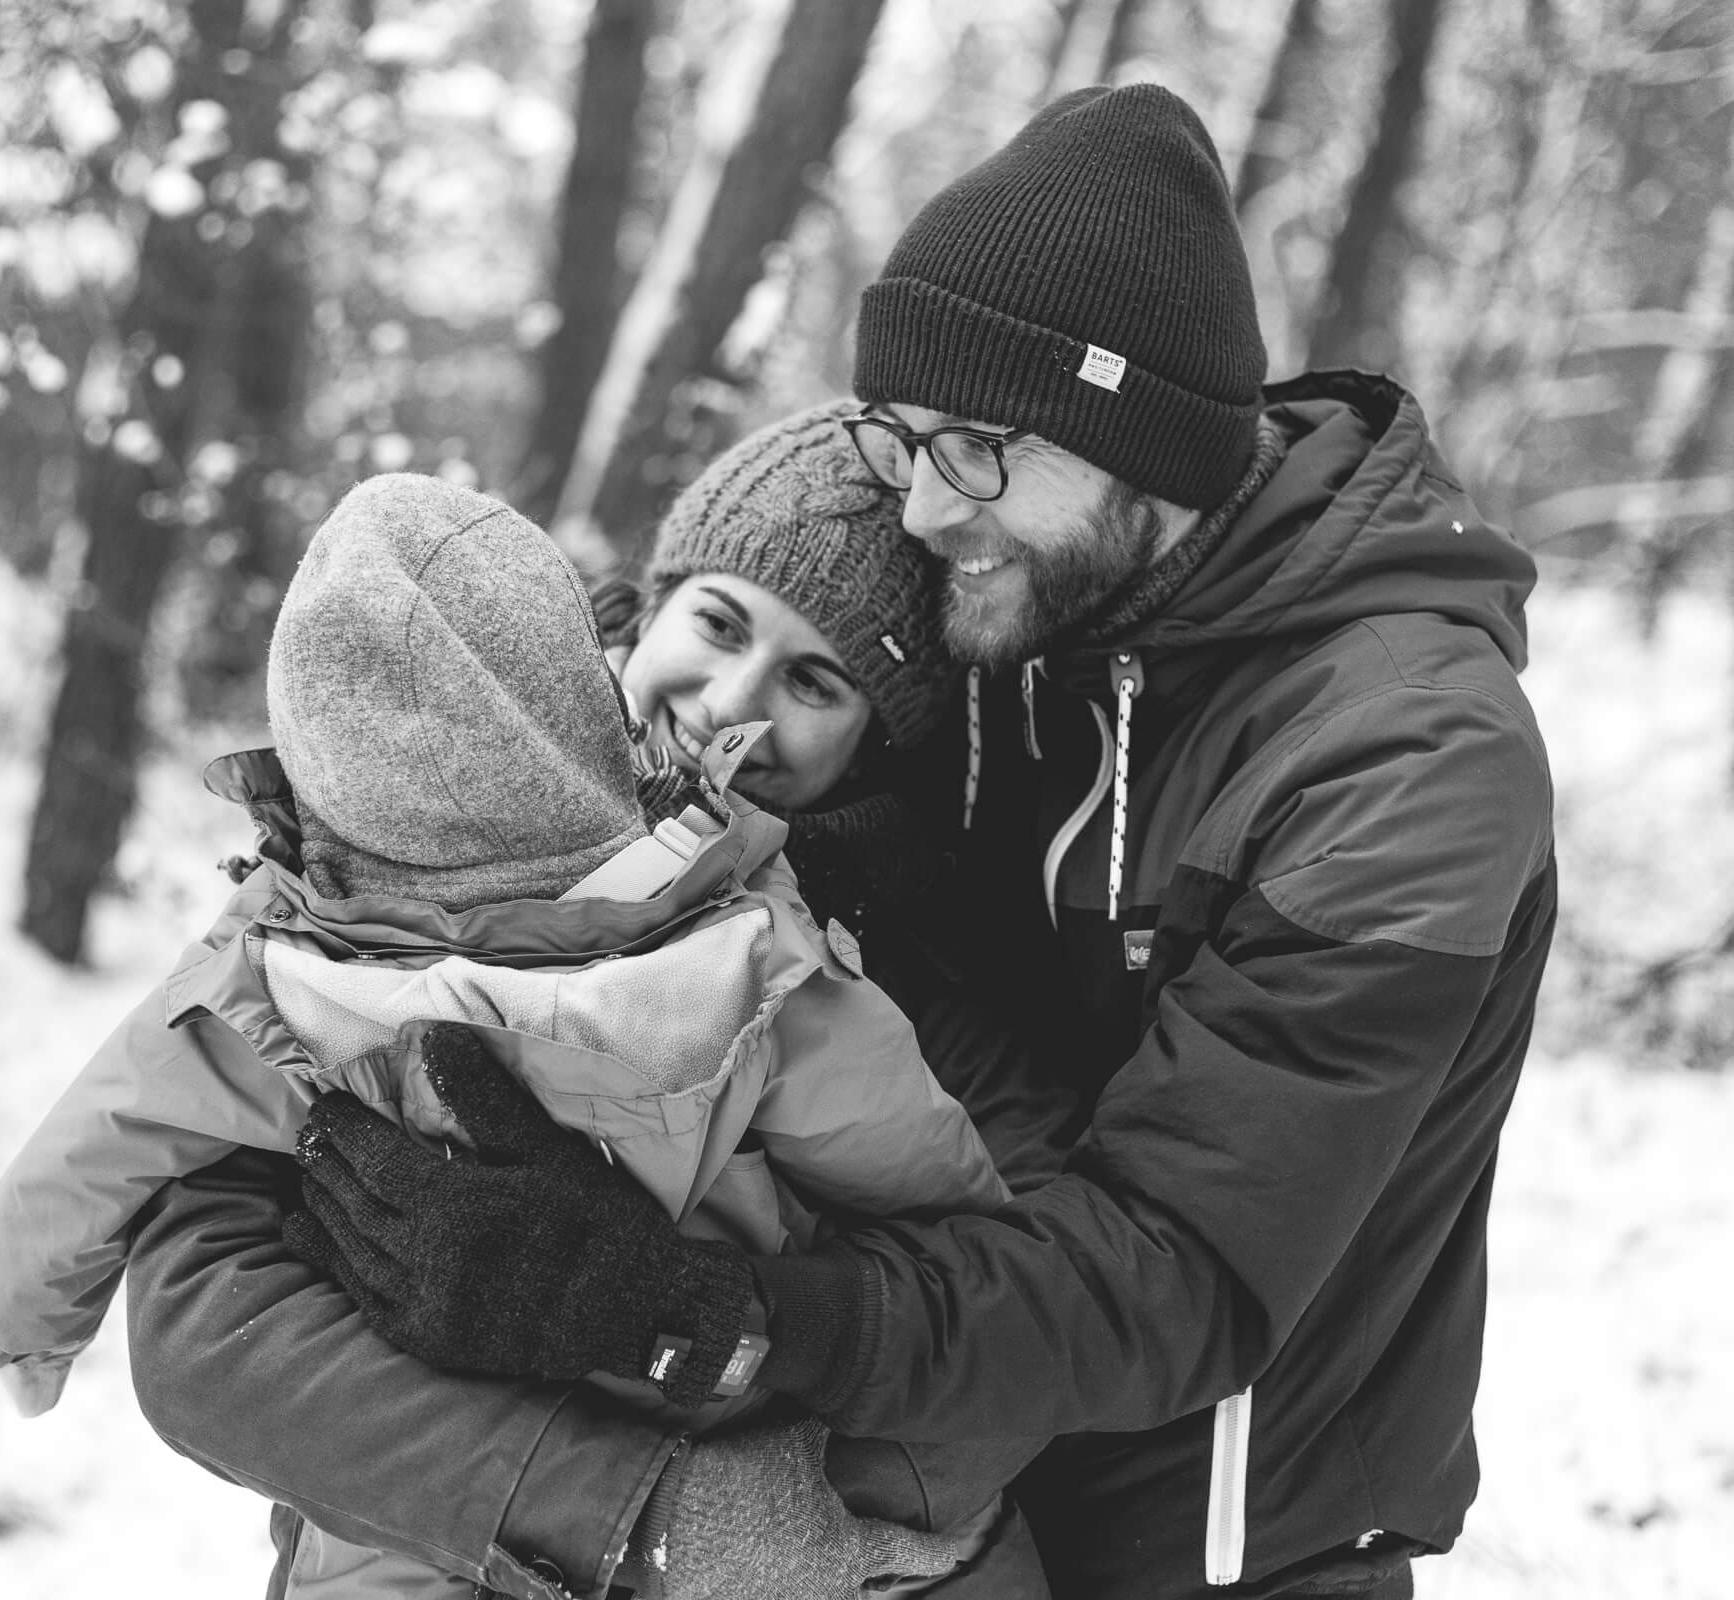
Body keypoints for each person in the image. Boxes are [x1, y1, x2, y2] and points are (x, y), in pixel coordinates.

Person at [284, 83, 1556, 1600]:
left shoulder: (1400, 758)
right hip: (933, 1510)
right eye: (903, 441)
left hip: (1217, 1547)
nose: (927, 502)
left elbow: (1184, 1268)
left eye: (977, 449)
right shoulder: (1031, 613)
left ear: (1135, 438)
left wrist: (700, 1315)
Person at [0, 466, 1043, 1599]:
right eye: (718, 622)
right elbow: (203, 1324)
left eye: (815, 681)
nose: (730, 701)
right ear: (626, 615)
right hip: (468, 1509)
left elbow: (1002, 1319)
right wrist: (648, 1509)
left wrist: (15, 1327)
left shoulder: (296, 960)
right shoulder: (758, 949)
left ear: (880, 735)